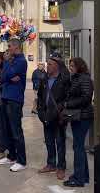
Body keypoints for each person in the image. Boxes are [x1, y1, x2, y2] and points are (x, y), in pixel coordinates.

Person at [0, 38, 28, 172]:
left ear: (16, 47)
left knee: (16, 131)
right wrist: (7, 76)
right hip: (6, 97)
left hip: (15, 99)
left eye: (9, 47)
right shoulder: (12, 61)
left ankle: (21, 161)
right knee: (8, 130)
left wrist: (7, 74)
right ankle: (12, 156)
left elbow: (6, 76)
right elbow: (5, 76)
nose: (7, 50)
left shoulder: (21, 61)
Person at [37, 53, 70, 180]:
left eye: (50, 65)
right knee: (49, 142)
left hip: (58, 117)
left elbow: (66, 98)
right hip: (46, 116)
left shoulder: (64, 80)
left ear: (57, 66)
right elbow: (40, 97)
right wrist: (41, 112)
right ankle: (51, 164)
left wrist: (59, 110)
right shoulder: (44, 79)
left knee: (60, 142)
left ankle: (61, 167)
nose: (47, 67)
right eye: (47, 64)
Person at [63, 57, 94, 188]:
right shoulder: (76, 78)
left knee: (78, 147)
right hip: (78, 116)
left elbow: (86, 98)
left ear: (79, 66)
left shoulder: (84, 78)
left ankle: (79, 178)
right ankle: (84, 176)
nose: (70, 68)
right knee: (79, 146)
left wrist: (68, 104)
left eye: (72, 66)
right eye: (69, 65)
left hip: (83, 116)